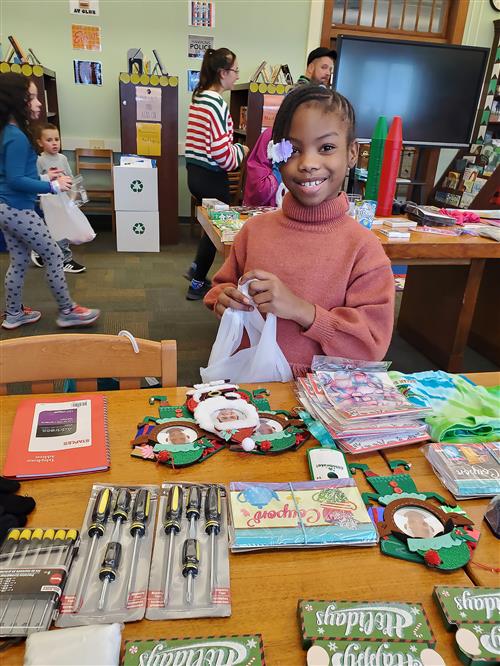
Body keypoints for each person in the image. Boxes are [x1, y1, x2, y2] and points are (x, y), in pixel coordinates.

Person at [204, 85, 394, 376]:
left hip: (321, 400)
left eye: (327, 148)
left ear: (352, 152)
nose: (307, 164)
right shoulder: (253, 231)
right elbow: (221, 286)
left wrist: (300, 310)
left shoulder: (363, 248)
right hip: (251, 387)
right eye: (292, 149)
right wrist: (223, 297)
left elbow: (370, 345)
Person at [0, 72, 99, 330]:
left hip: (6, 210)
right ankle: (68, 310)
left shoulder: (8, 133)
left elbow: (14, 175)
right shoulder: (17, 137)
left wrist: (44, 176)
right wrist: (52, 185)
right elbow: (15, 180)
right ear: (16, 100)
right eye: (31, 97)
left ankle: (13, 313)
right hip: (18, 209)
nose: (38, 103)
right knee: (54, 255)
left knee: (20, 260)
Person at [184, 47, 249, 300]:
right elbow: (222, 154)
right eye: (234, 71)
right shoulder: (217, 103)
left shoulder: (199, 97)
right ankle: (198, 283)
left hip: (195, 174)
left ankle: (195, 269)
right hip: (212, 177)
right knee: (218, 232)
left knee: (209, 228)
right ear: (222, 72)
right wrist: (241, 151)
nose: (236, 76)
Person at [31, 123, 86, 273]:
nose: (54, 143)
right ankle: (64, 259)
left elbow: (70, 179)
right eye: (49, 140)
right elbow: (34, 182)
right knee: (53, 230)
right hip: (47, 203)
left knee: (60, 230)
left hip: (62, 201)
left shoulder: (62, 158)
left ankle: (48, 253)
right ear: (40, 142)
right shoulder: (39, 160)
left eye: (57, 139)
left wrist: (73, 198)